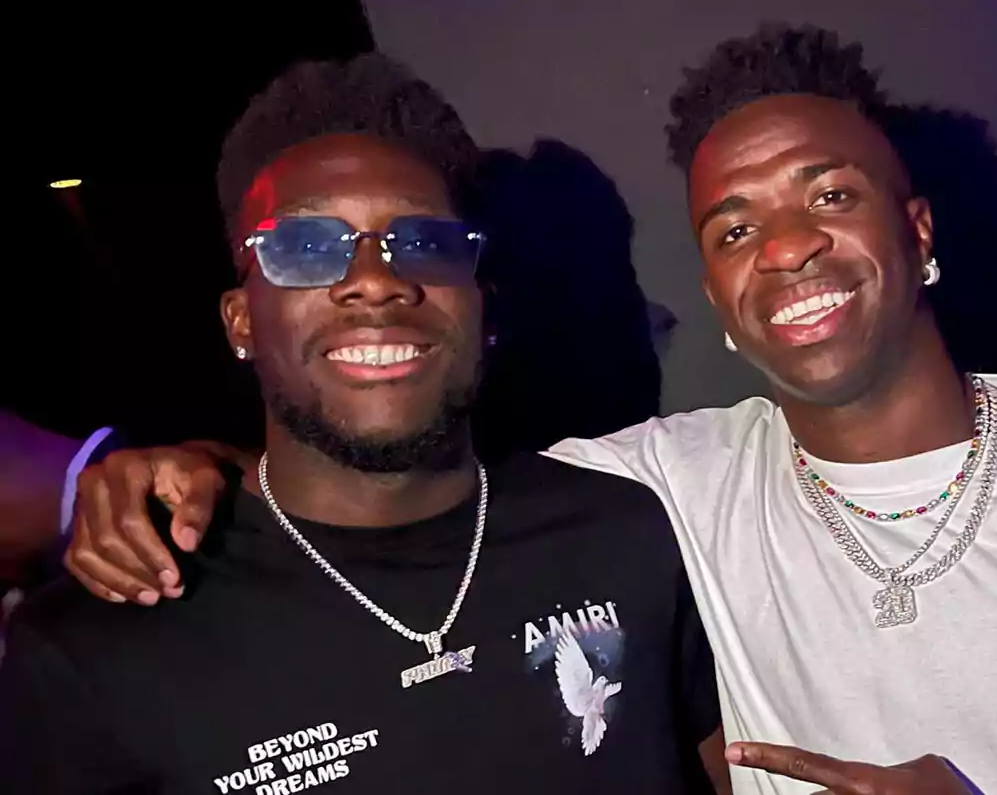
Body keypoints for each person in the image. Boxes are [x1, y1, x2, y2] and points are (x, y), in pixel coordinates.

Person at [29, 23, 997, 795]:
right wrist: (145, 469)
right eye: (734, 227)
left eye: (829, 194)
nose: (787, 247)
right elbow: (378, 471)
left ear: (920, 232)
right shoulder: (667, 486)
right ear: (718, 295)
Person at [0, 54, 729, 795]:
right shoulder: (92, 654)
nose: (376, 280)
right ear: (240, 320)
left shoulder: (626, 533)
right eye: (305, 247)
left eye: (426, 243)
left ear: (485, 309)